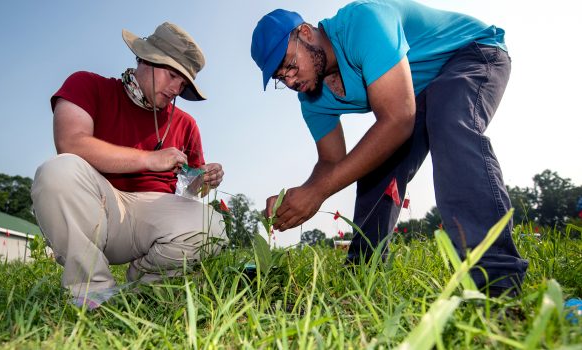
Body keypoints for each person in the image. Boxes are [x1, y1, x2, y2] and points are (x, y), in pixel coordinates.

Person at [250, 1, 528, 296]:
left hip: (470, 53)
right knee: (375, 163)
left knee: (448, 122)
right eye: (282, 78)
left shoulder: (362, 23)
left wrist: (317, 192)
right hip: (418, 92)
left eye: (290, 65)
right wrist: (302, 195)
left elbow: (397, 120)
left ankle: (494, 280)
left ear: (305, 33)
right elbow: (331, 162)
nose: (291, 80)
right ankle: (360, 279)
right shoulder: (311, 99)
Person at [31, 22, 227, 309]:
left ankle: (141, 291)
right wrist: (149, 159)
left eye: (183, 84)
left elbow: (191, 194)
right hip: (98, 206)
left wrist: (205, 180)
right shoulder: (88, 85)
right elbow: (70, 142)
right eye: (172, 75)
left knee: (212, 226)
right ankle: (94, 294)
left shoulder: (187, 124)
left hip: (153, 215)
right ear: (145, 59)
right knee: (56, 173)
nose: (176, 88)